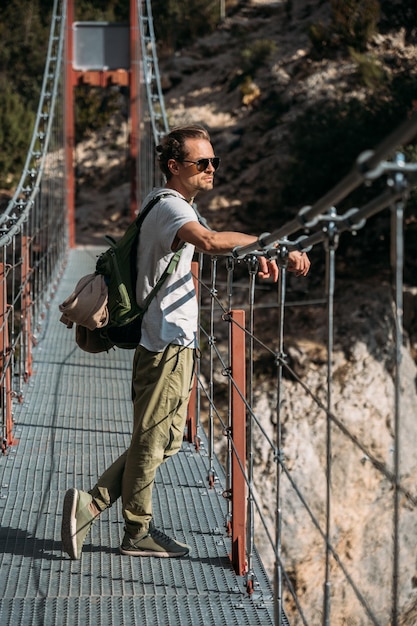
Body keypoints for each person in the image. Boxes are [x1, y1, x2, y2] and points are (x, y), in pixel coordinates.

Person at [61, 124, 310, 560]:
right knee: (154, 438)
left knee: (166, 438)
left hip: (171, 343)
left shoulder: (165, 203)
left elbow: (204, 247)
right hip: (165, 344)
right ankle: (133, 529)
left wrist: (255, 259)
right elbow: (211, 242)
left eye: (214, 161)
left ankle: (94, 504)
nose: (212, 169)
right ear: (175, 167)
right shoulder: (174, 209)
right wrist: (274, 247)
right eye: (202, 163)